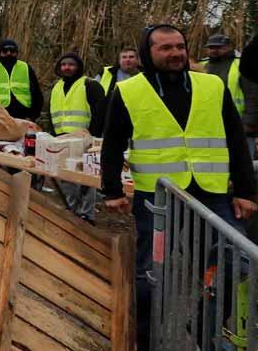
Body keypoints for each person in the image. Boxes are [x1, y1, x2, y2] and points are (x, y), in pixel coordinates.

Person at [102, 25, 257, 351]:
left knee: (238, 263)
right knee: (148, 279)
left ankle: (203, 327)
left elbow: (236, 139)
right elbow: (112, 143)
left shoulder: (211, 85)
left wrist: (246, 190)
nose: (175, 54)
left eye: (180, 47)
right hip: (156, 201)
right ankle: (143, 341)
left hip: (211, 194)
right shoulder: (129, 91)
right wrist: (112, 190)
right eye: (165, 48)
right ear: (148, 53)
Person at [47, 52, 105, 223]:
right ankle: (72, 210)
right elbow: (52, 113)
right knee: (66, 177)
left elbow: (100, 113)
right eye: (64, 64)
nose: (67, 67)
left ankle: (87, 215)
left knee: (87, 178)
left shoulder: (90, 85)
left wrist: (93, 136)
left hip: (85, 139)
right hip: (62, 138)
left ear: (78, 67)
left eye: (71, 64)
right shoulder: (57, 87)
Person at [201, 35, 258, 148]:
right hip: (208, 124)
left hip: (239, 124)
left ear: (229, 47)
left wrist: (250, 122)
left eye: (219, 47)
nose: (214, 50)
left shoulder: (240, 64)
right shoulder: (201, 66)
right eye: (211, 47)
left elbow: (253, 94)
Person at [0, 38, 43, 121]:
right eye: (5, 50)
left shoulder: (26, 67)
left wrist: (33, 116)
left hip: (23, 116)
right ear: (0, 52)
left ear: (16, 53)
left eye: (12, 51)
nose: (9, 53)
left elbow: (37, 94)